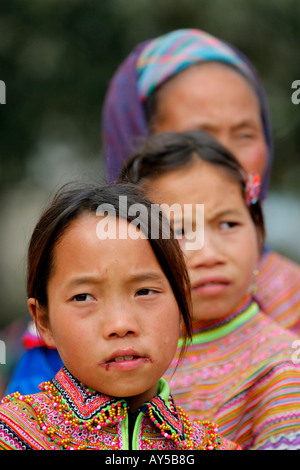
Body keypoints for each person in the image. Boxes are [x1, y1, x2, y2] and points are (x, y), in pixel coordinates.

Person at [0, 182, 239, 450]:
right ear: (43, 322)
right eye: (83, 297)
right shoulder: (12, 434)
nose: (121, 325)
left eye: (145, 291)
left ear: (182, 304)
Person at [102, 28, 300, 334]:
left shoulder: (292, 301)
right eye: (200, 138)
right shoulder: (80, 313)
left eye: (246, 134)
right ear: (137, 144)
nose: (226, 159)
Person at [119, 130, 300, 450]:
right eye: (179, 230)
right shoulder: (115, 352)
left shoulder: (283, 371)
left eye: (228, 224)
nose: (209, 253)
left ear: (258, 233)